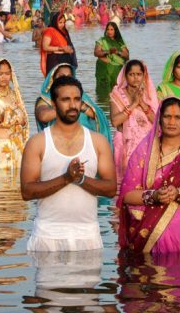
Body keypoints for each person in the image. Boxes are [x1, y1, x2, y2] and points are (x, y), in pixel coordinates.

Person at [20, 76, 117, 251]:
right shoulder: (38, 142)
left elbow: (111, 189)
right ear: (54, 104)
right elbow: (27, 191)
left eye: (77, 99)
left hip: (88, 238)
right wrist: (66, 178)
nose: (72, 105)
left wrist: (80, 180)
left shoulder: (98, 141)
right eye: (65, 99)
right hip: (47, 238)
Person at [117, 97, 180, 254]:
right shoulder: (143, 151)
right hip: (147, 236)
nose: (172, 122)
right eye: (167, 116)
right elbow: (127, 196)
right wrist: (155, 195)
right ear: (159, 118)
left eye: (177, 117)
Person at [35, 63, 113, 147]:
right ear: (52, 79)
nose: (65, 79)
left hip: (85, 142)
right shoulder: (45, 99)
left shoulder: (82, 97)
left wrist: (81, 107)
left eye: (69, 76)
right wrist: (68, 109)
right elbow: (43, 116)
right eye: (61, 76)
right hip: (58, 142)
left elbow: (98, 116)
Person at [109, 60, 158, 187]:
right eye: (131, 74)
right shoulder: (117, 93)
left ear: (144, 75)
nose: (135, 78)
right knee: (125, 183)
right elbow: (115, 121)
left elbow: (157, 121)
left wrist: (142, 104)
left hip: (146, 143)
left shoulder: (149, 94)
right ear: (125, 76)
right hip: (125, 144)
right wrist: (134, 104)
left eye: (139, 74)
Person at [94, 22, 129, 99]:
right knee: (104, 90)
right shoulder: (102, 40)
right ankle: (104, 103)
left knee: (118, 91)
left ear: (115, 31)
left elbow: (126, 55)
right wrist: (108, 51)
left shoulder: (120, 42)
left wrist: (117, 52)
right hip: (105, 69)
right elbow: (96, 52)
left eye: (112, 29)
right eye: (108, 29)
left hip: (118, 69)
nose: (109, 31)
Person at [39, 12, 77, 76]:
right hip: (54, 61)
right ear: (55, 22)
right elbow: (45, 47)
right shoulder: (50, 31)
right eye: (60, 22)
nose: (62, 25)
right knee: (55, 82)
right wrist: (61, 48)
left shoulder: (64, 32)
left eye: (64, 22)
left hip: (65, 61)